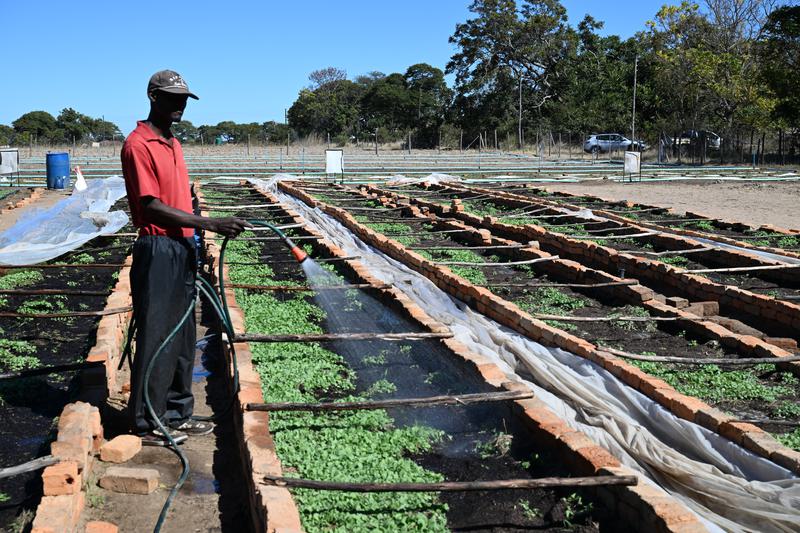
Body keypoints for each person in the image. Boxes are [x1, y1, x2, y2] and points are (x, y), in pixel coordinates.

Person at [121, 70, 250, 446]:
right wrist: (209, 223)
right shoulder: (138, 144)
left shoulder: (173, 143)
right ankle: (148, 422)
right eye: (172, 97)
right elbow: (150, 206)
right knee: (157, 336)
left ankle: (177, 413)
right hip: (158, 247)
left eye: (183, 99)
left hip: (182, 247)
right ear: (153, 97)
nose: (180, 105)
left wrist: (198, 230)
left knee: (182, 335)